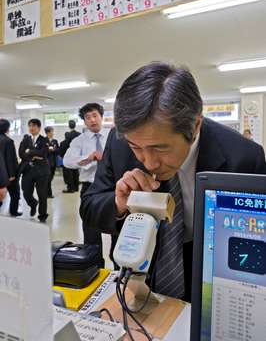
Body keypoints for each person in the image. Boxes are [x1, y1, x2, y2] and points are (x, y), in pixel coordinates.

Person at [80, 62, 266, 302]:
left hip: (207, 277)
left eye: (160, 148)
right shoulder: (119, 144)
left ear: (195, 125)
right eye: (136, 147)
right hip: (136, 277)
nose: (148, 162)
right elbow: (89, 206)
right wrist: (119, 203)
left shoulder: (243, 157)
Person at [64, 103, 110, 267]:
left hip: (112, 188)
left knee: (118, 229)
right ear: (84, 121)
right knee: (91, 231)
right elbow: (67, 161)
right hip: (90, 188)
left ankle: (120, 270)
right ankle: (95, 267)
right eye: (87, 117)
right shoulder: (79, 140)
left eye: (95, 115)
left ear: (101, 116)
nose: (92, 120)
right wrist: (88, 158)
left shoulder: (114, 136)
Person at [19, 118, 50, 222]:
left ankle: (42, 215)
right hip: (28, 170)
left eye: (34, 126)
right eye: (30, 126)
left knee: (42, 194)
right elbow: (21, 153)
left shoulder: (44, 139)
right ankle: (33, 203)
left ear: (39, 128)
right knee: (26, 192)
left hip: (42, 171)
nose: (31, 128)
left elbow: (43, 153)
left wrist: (29, 151)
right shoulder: (25, 139)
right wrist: (33, 155)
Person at [0, 119, 21, 216]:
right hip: (8, 174)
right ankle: (13, 212)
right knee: (15, 194)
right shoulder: (8, 141)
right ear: (7, 129)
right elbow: (11, 159)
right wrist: (12, 174)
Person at [59, 120, 80, 193]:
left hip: (69, 156)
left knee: (69, 172)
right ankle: (76, 187)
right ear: (75, 125)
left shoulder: (68, 135)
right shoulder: (79, 134)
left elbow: (65, 145)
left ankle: (70, 188)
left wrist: (62, 154)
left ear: (69, 125)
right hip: (77, 156)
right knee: (75, 171)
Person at [44, 126, 59, 198]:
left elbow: (58, 151)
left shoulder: (55, 141)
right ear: (48, 132)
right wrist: (48, 150)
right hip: (46, 163)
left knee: (51, 178)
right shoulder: (43, 140)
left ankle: (47, 192)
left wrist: (54, 150)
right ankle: (48, 193)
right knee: (48, 178)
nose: (53, 133)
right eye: (52, 131)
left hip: (53, 162)